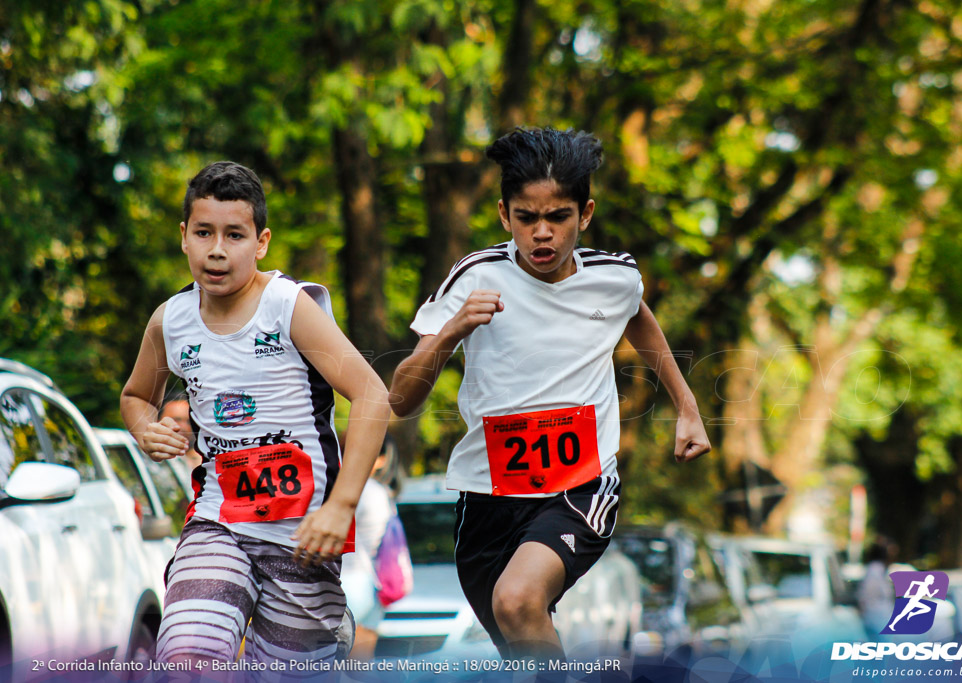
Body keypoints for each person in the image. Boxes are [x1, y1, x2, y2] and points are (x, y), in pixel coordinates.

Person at [388, 127, 711, 661]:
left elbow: (639, 319)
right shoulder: (475, 276)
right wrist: (451, 333)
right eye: (526, 218)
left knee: (517, 602)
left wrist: (689, 407)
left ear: (585, 213)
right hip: (488, 494)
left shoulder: (615, 277)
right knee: (523, 646)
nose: (542, 234)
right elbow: (400, 399)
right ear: (502, 214)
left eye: (558, 217)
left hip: (581, 482)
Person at [120, 161, 391, 667]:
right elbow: (136, 396)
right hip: (218, 520)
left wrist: (342, 505)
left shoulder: (290, 306)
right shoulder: (171, 320)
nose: (217, 249)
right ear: (184, 236)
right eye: (204, 232)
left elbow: (372, 394)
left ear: (261, 242)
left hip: (303, 537)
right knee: (187, 654)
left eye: (235, 234)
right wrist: (145, 429)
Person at [340, 434, 408, 659]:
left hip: (340, 578)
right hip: (366, 582)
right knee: (359, 664)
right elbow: (382, 542)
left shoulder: (333, 485)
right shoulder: (376, 492)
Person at [158, 393, 203, 472]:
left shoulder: (202, 460)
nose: (184, 427)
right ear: (157, 421)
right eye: (176, 420)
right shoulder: (143, 458)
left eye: (189, 422)